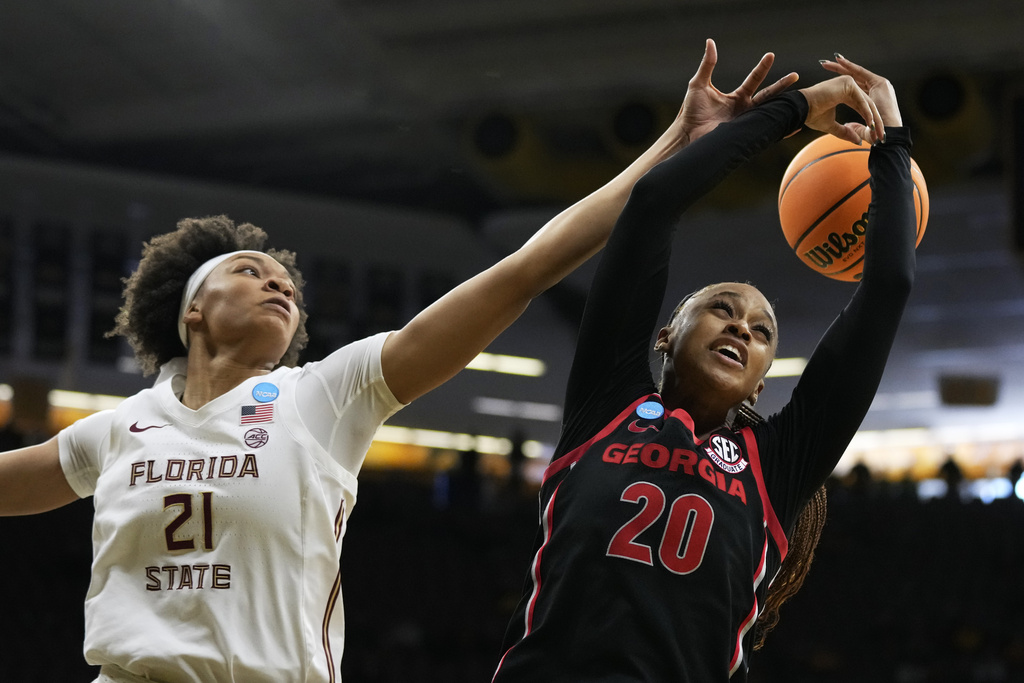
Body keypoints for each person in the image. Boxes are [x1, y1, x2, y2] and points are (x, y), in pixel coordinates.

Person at [0, 42, 799, 683]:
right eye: (249, 272)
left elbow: (522, 269)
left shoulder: (322, 395)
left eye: (287, 282)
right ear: (191, 310)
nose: (279, 282)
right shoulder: (117, 429)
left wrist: (674, 148)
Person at [491, 46, 914, 682]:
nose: (741, 326)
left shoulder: (778, 464)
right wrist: (796, 110)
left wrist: (892, 144)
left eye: (762, 331)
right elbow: (654, 202)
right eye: (721, 309)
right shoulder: (607, 406)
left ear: (763, 376)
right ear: (666, 335)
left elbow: (887, 290)